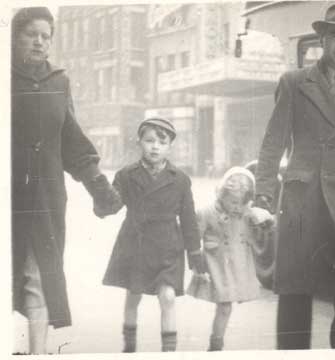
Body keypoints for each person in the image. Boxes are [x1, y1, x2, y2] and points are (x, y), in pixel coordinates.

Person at [255, 4, 335, 349]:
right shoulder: (294, 83)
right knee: (296, 290)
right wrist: (262, 198)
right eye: (334, 36)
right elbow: (273, 144)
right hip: (303, 203)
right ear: (322, 40)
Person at [11, 7, 119, 354]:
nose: (40, 41)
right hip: (7, 195)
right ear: (14, 37)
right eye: (32, 34)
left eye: (46, 36)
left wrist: (99, 187)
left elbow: (72, 140)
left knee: (38, 276)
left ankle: (39, 351)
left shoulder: (59, 81)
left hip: (44, 197)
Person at [95, 118, 206, 352]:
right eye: (150, 141)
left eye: (162, 142)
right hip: (136, 243)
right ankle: (130, 347)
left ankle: (169, 352)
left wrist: (195, 254)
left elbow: (188, 220)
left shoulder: (181, 180)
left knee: (167, 296)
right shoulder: (126, 175)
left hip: (168, 246)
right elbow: (112, 204)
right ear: (140, 143)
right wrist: (101, 201)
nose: (155, 147)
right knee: (133, 294)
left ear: (170, 147)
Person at [187, 167, 274, 351]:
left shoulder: (247, 213)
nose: (237, 207)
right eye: (233, 201)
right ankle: (216, 346)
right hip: (216, 265)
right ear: (221, 194)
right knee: (225, 306)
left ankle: (216, 343)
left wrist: (264, 223)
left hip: (237, 267)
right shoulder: (206, 212)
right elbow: (194, 239)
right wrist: (198, 266)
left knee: (225, 307)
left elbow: (259, 236)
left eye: (242, 202)